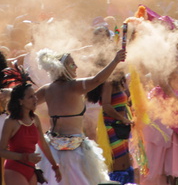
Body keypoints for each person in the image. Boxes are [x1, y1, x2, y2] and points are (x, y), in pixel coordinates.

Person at [35, 47, 126, 185]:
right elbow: (97, 80)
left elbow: (25, 103)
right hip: (75, 152)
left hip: (52, 150)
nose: (76, 67)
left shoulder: (47, 89)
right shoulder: (74, 86)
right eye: (72, 64)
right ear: (63, 68)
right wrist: (115, 61)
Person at [0, 73, 61, 184]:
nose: (35, 99)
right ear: (20, 101)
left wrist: (55, 166)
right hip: (14, 169)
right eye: (30, 97)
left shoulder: (35, 119)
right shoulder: (10, 122)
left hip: (31, 169)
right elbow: (1, 151)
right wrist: (25, 157)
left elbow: (43, 144)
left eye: (35, 96)